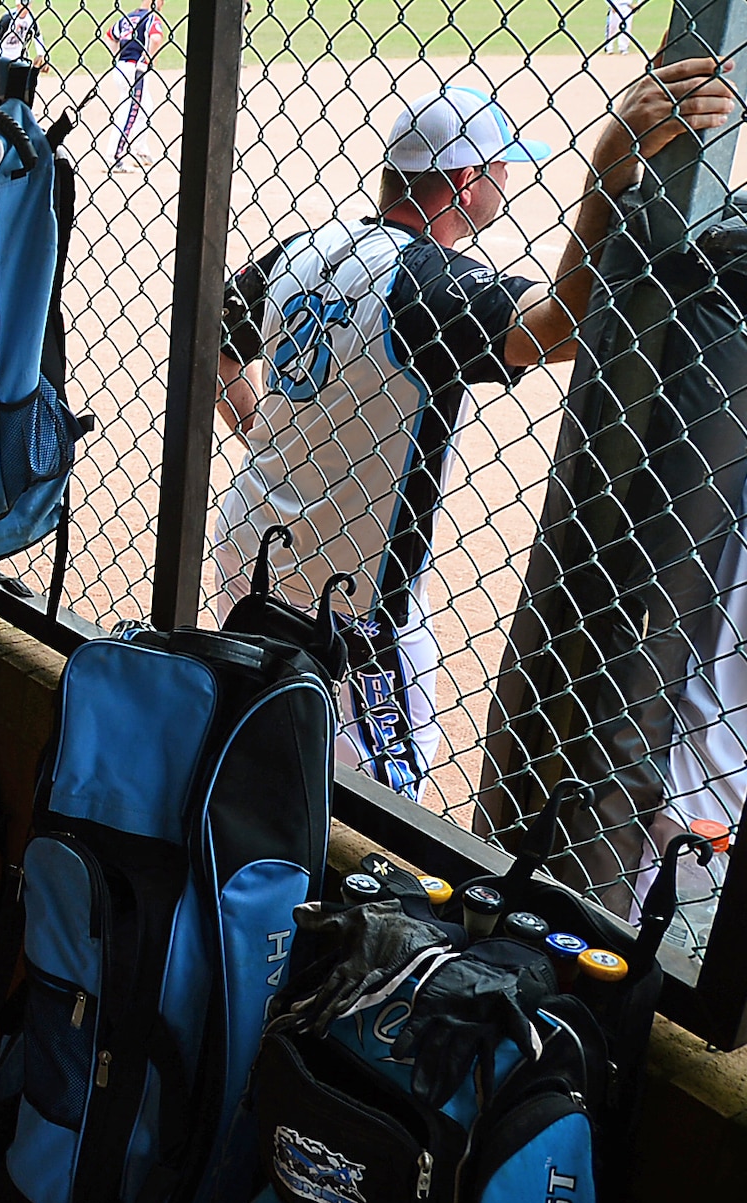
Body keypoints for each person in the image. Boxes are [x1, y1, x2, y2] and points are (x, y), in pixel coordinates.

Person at [211, 61, 738, 803]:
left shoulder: (308, 243)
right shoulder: (428, 284)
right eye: (498, 167)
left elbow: (220, 336)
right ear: (464, 185)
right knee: (379, 810)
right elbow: (558, 327)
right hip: (350, 605)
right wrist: (603, 176)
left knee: (250, 748)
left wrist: (258, 425)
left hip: (248, 549)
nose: (506, 180)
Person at [100, 0, 167, 171]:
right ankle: (112, 157)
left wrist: (118, 56)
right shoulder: (152, 18)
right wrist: (148, 57)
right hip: (136, 69)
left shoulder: (128, 17)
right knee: (129, 110)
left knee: (146, 105)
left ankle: (139, 149)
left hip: (123, 66)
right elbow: (156, 38)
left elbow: (110, 36)